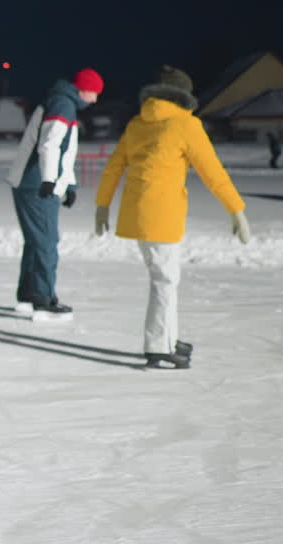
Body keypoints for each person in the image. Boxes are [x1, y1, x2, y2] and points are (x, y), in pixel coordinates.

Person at [94, 65, 251, 369]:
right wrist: (237, 210)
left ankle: (168, 337)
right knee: (165, 280)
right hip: (162, 214)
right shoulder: (185, 125)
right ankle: (158, 347)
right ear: (183, 97)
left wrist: (102, 206)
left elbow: (114, 167)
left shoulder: (137, 124)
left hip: (136, 214)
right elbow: (212, 172)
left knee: (164, 277)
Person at [5, 68, 103, 320]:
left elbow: (64, 152)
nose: (96, 99)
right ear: (84, 90)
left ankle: (28, 295)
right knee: (47, 242)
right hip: (36, 183)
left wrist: (68, 184)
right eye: (95, 93)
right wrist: (49, 181)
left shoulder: (61, 101)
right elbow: (49, 144)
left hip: (34, 181)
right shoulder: (63, 105)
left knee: (37, 241)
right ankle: (42, 299)